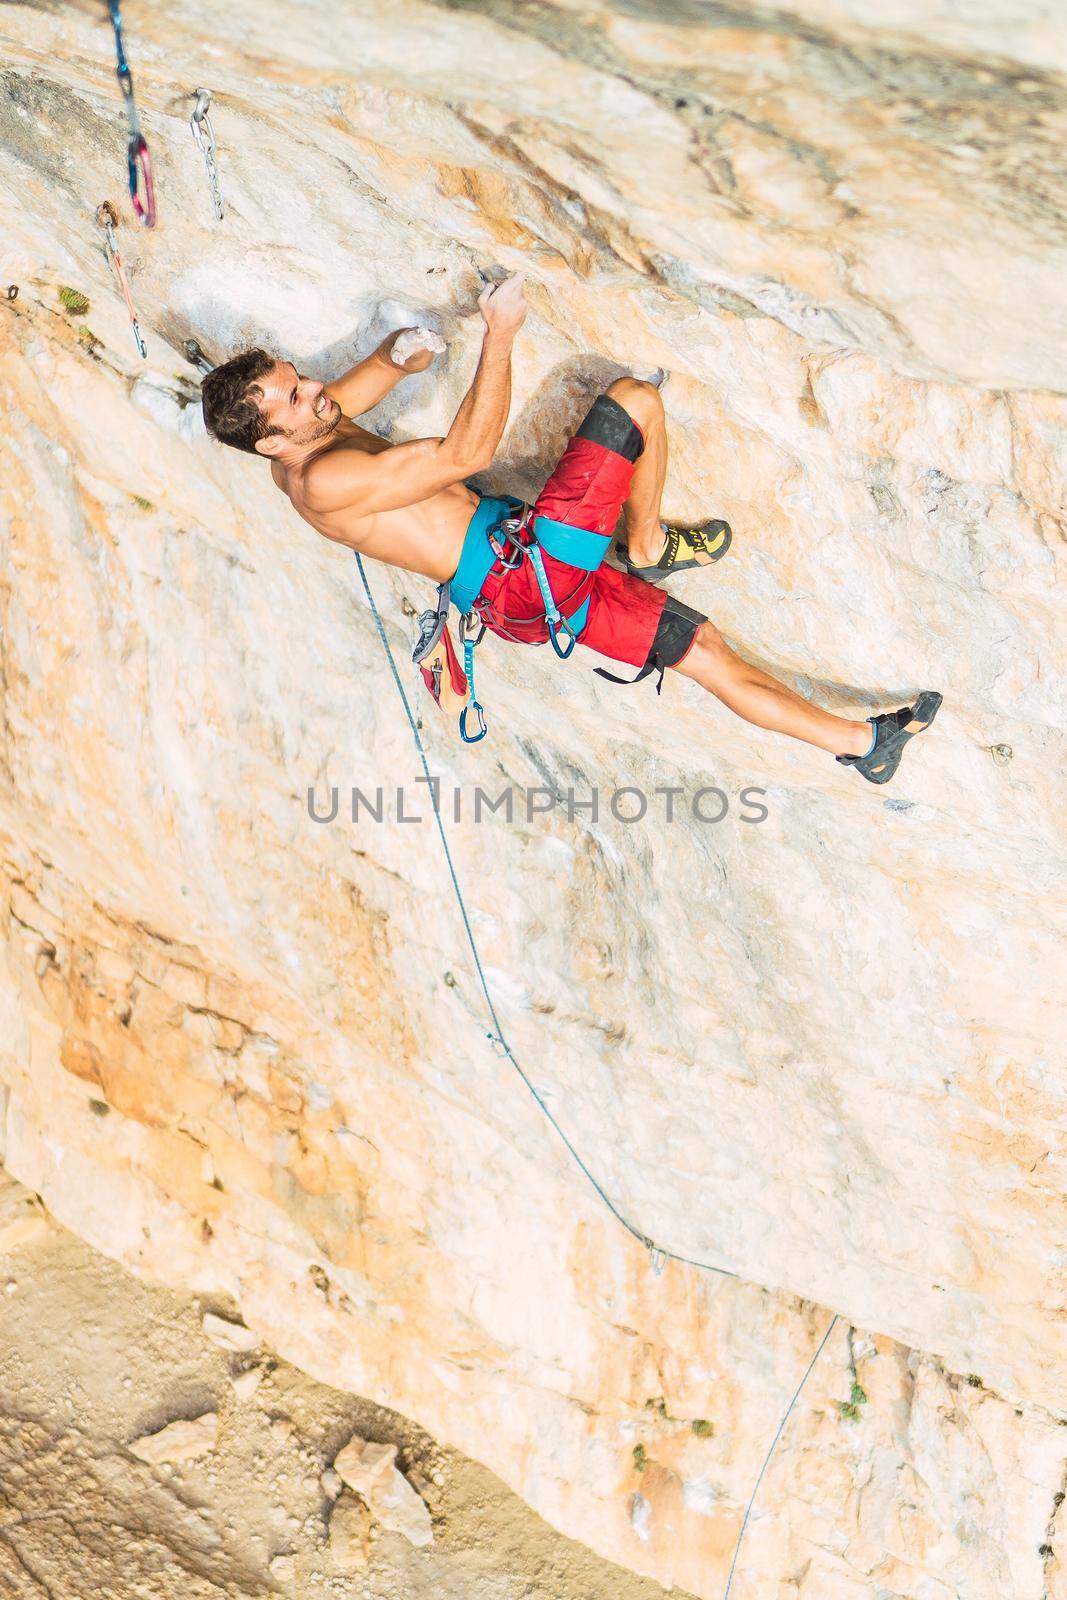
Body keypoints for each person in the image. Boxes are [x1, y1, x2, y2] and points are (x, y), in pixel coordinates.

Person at [200, 273, 940, 782]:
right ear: (272, 441)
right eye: (296, 394)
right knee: (633, 403)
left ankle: (864, 747)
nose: (315, 388)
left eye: (299, 376)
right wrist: (500, 332)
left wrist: (401, 354)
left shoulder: (299, 442)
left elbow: (356, 390)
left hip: (519, 586)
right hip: (529, 575)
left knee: (702, 649)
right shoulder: (323, 482)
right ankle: (647, 545)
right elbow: (468, 453)